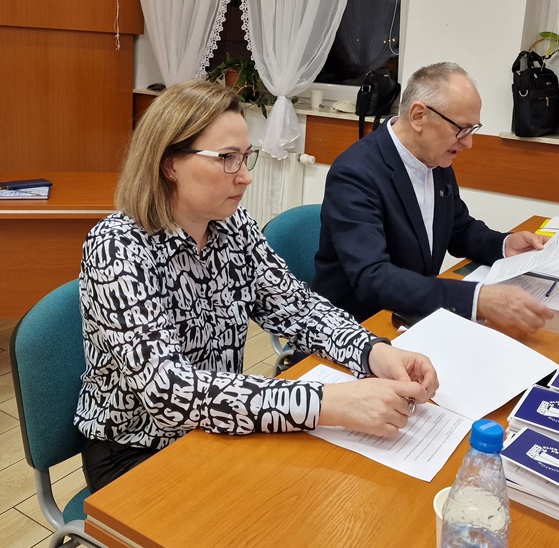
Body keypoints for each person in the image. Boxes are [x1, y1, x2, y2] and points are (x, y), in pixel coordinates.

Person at [74, 80, 438, 492]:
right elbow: (168, 392)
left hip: (215, 427)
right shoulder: (117, 246)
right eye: (227, 159)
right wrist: (327, 403)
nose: (246, 177)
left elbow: (298, 309)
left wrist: (373, 351)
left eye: (246, 157)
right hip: (137, 450)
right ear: (170, 164)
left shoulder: (233, 226)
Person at [313, 62, 555, 337]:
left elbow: (458, 228)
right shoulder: (355, 173)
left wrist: (503, 244)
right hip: (353, 329)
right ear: (418, 116)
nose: (468, 143)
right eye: (461, 129)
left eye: (473, 129)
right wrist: (476, 299)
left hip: (411, 317)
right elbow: (373, 277)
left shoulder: (435, 159)